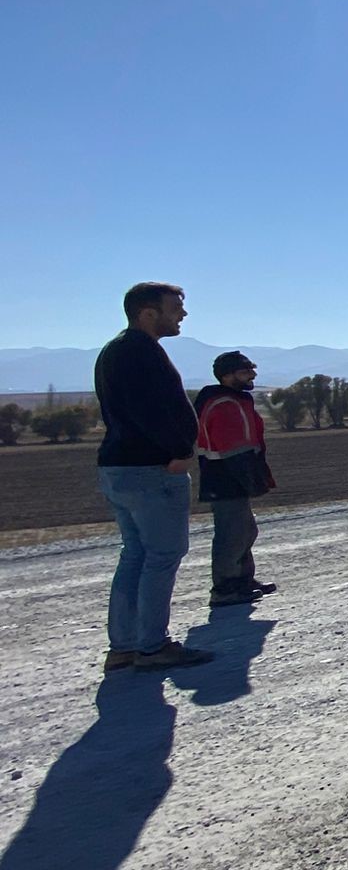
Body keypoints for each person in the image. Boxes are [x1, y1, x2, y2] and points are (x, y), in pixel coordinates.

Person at [96, 282, 212, 671]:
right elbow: (152, 412)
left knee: (136, 555)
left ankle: (124, 646)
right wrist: (179, 451)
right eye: (176, 307)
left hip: (121, 466)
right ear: (148, 313)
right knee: (162, 556)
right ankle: (151, 646)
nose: (182, 314)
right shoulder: (140, 353)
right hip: (152, 470)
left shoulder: (116, 351)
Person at [194, 350, 277, 607]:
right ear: (227, 376)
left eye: (251, 370)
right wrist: (249, 476)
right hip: (225, 476)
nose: (251, 375)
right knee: (232, 533)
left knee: (245, 530)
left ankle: (242, 580)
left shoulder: (235, 399)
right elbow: (232, 447)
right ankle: (225, 588)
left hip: (233, 474)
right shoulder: (223, 403)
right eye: (244, 372)